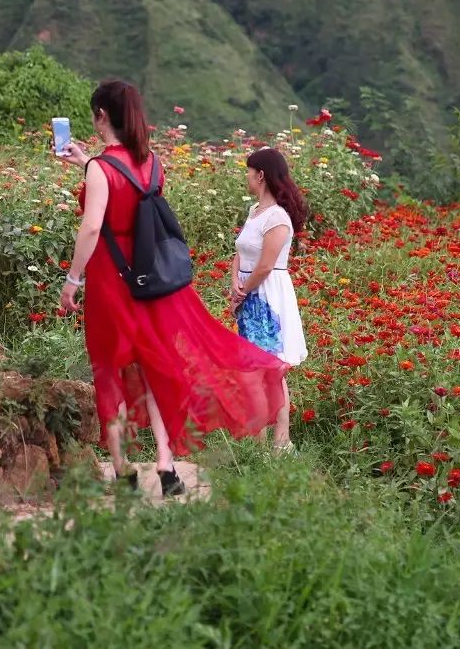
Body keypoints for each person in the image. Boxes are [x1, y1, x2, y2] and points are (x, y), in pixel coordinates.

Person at [58, 79, 288, 496]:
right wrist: (86, 164)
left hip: (113, 284)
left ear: (102, 116)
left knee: (109, 372)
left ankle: (124, 471)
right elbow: (130, 192)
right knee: (153, 369)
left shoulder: (100, 169)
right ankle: (166, 468)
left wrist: (72, 280)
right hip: (151, 283)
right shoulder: (153, 162)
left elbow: (93, 226)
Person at [230, 148, 308, 453]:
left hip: (265, 297)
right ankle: (262, 439)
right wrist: (235, 280)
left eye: (249, 172)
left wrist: (243, 290)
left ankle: (280, 440)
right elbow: (242, 251)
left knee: (270, 368)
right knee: (254, 368)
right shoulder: (255, 212)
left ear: (260, 175)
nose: (246, 177)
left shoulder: (277, 216)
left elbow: (265, 264)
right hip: (249, 292)